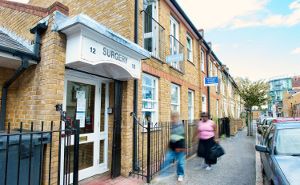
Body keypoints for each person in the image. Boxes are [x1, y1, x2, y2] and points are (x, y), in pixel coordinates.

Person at [158, 112, 186, 182]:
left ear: (177, 118)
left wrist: (179, 148)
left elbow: (181, 138)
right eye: (172, 118)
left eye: (174, 118)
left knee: (180, 162)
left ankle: (180, 174)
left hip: (180, 148)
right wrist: (168, 146)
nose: (172, 119)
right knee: (167, 159)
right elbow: (172, 137)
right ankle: (163, 173)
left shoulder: (180, 126)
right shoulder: (173, 126)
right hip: (172, 148)